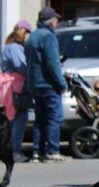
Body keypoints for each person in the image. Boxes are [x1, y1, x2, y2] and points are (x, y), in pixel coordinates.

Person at [25, 7, 70, 163]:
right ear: (51, 21)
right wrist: (62, 83)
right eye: (56, 20)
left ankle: (37, 152)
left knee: (40, 119)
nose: (57, 23)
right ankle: (52, 151)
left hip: (35, 84)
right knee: (53, 118)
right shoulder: (48, 37)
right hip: (48, 84)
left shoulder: (32, 36)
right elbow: (52, 63)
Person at [0, 20, 32, 163]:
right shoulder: (14, 47)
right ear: (23, 32)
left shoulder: (10, 46)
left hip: (12, 86)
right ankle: (15, 152)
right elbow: (22, 66)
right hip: (15, 87)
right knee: (19, 118)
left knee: (13, 120)